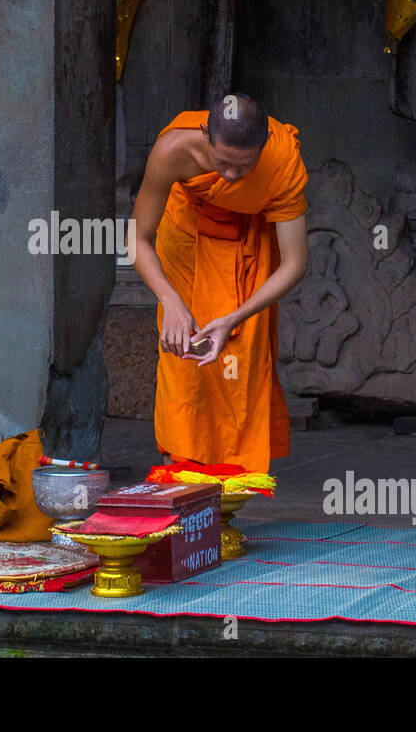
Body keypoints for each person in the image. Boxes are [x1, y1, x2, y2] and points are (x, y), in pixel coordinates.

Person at [129, 94, 310, 473]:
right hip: (185, 242)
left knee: (238, 369)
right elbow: (137, 238)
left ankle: (225, 501)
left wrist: (235, 317)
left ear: (262, 148)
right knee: (184, 361)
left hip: (246, 254)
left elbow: (295, 263)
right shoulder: (173, 150)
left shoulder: (282, 161)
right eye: (221, 162)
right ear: (204, 136)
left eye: (244, 167)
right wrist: (171, 300)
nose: (230, 176)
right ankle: (183, 490)